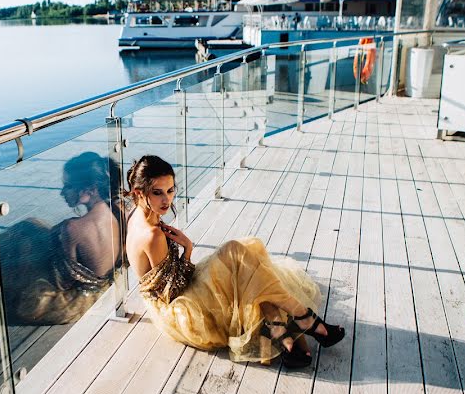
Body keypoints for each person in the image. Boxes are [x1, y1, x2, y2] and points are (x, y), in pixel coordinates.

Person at [124, 155, 344, 368]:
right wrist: (188, 249)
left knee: (245, 262)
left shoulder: (135, 214)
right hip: (178, 310)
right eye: (158, 192)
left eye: (170, 190)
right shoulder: (152, 235)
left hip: (172, 291)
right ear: (139, 193)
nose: (166, 200)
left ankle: (282, 331)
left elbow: (161, 277)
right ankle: (304, 318)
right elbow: (170, 293)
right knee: (242, 261)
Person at [0, 151, 120, 324]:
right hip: (101, 287)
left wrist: (28, 262)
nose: (62, 193)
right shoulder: (112, 213)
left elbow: (62, 282)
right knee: (31, 225)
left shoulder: (73, 228)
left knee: (22, 239)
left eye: (68, 186)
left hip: (72, 300)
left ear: (91, 189)